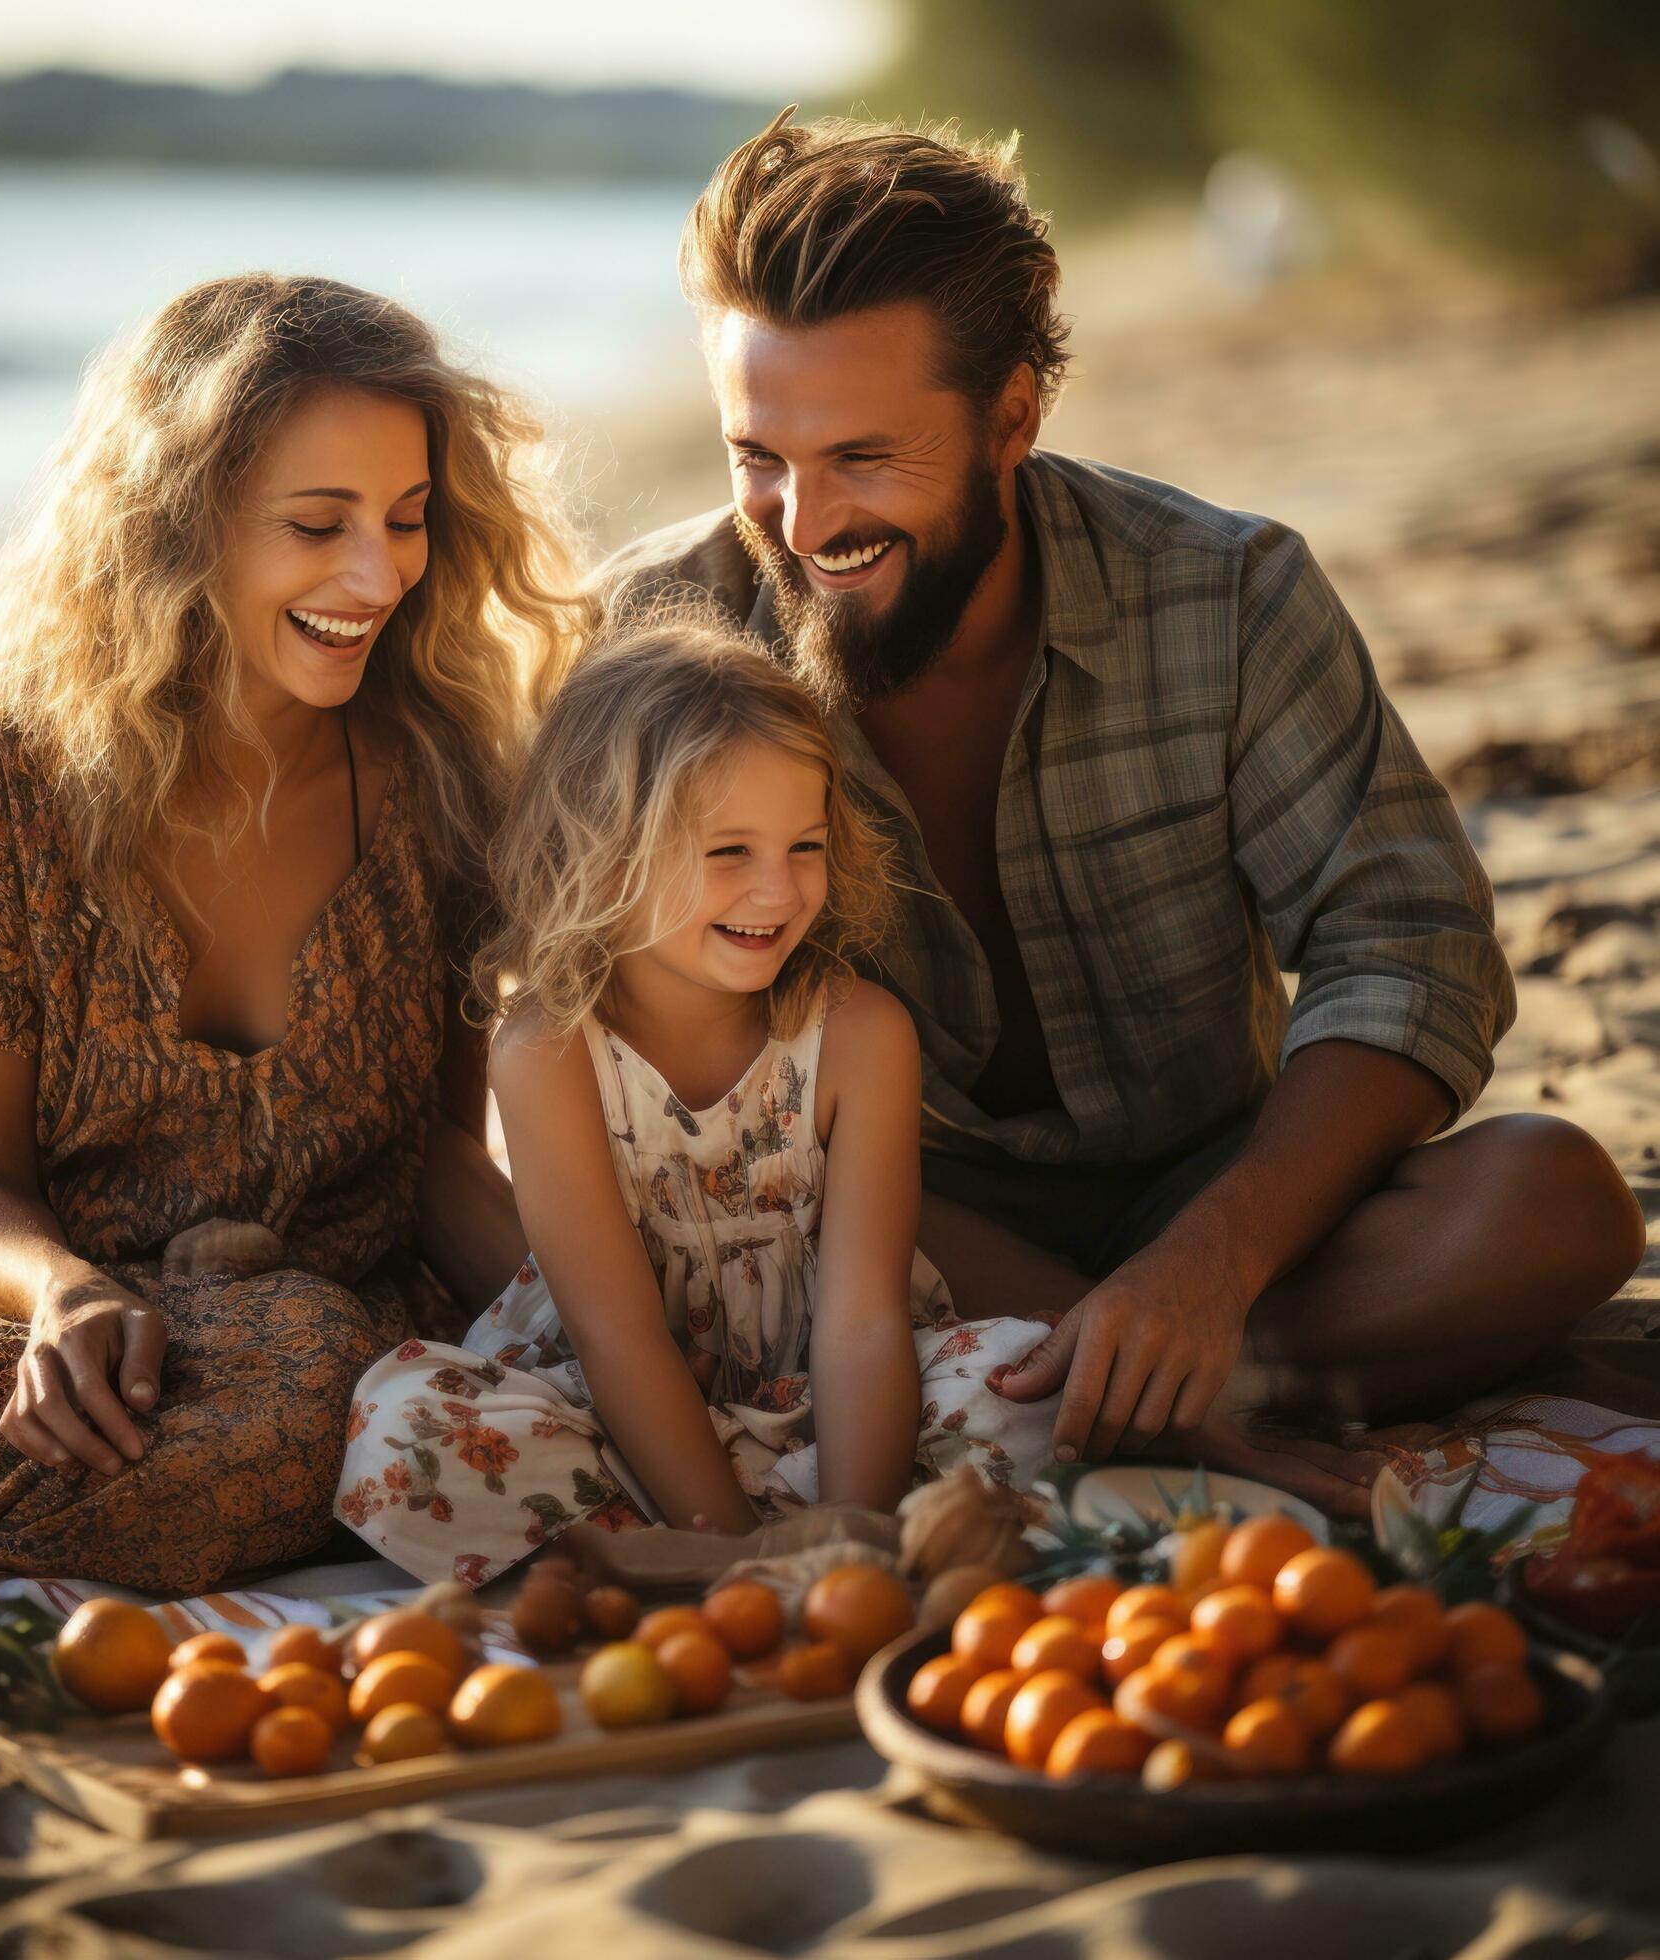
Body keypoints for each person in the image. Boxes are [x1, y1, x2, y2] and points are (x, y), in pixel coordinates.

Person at [600, 113, 1647, 1506]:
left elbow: (1409, 943)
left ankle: (1111, 1378)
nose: (799, 524)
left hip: (1234, 1205)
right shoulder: (665, 641)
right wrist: (1111, 1311)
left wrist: (1208, 1265)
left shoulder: (1227, 596)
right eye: (758, 458)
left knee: (1555, 1200)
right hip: (877, 1243)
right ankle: (1187, 1387)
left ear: (1014, 420)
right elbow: (666, 1065)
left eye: (863, 457)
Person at [0, 274, 571, 1595]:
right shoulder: (12, 777)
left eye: (406, 521)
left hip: (319, 1327)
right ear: (180, 522)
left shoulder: (439, 779)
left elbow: (441, 1151)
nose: (376, 574)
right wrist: (65, 1295)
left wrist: (587, 1324)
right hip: (38, 1306)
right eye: (317, 524)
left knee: (330, 1401)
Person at [335, 617, 1056, 1584]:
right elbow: (615, 1332)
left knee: (1025, 1385)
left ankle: (709, 1553)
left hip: (837, 1405)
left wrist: (851, 1530)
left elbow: (864, 1320)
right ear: (605, 848)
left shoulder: (859, 1035)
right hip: (617, 1410)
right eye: (728, 852)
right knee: (405, 1432)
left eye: (805, 845)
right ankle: (709, 1550)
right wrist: (736, 1546)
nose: (776, 889)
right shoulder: (550, 1050)